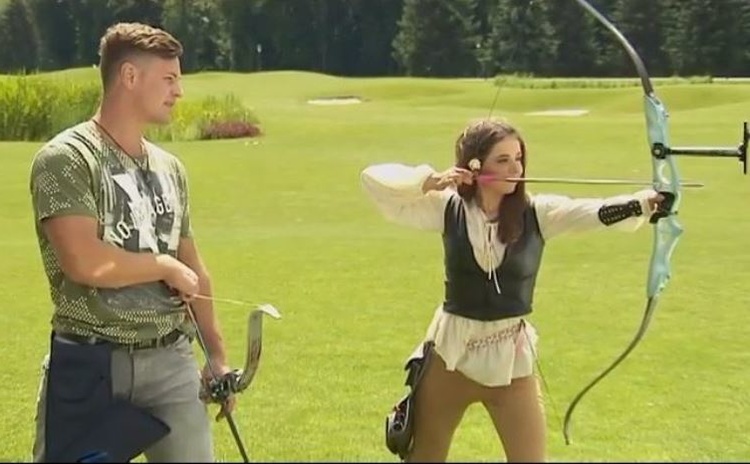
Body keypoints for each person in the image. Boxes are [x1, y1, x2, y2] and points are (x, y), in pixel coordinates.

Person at [361, 118, 665, 462]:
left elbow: (592, 212)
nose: (515, 169)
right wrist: (430, 181)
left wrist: (645, 203)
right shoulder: (446, 207)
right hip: (449, 359)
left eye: (518, 158)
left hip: (511, 365)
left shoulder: (538, 212)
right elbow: (373, 179)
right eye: (502, 160)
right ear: (475, 166)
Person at [29, 22, 234, 462]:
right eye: (169, 78)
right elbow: (85, 262)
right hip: (91, 367)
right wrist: (162, 266)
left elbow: (193, 267)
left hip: (171, 362)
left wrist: (217, 356)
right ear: (129, 76)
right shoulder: (66, 158)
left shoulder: (170, 168)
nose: (179, 91)